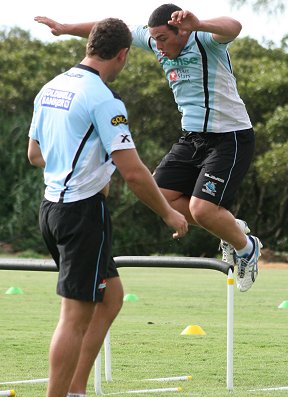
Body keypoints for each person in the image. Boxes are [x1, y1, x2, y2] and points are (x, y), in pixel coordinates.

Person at [28, 18, 188, 397]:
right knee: (74, 316)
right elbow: (133, 173)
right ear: (122, 54)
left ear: (90, 46)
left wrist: (74, 166)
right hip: (82, 215)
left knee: (111, 296)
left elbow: (35, 154)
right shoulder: (104, 98)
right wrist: (169, 211)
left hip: (50, 210)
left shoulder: (52, 87)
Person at [34, 5, 262, 290]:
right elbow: (110, 29)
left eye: (163, 40)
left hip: (230, 137)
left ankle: (247, 249)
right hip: (192, 137)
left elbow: (234, 26)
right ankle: (229, 227)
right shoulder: (153, 38)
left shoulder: (204, 41)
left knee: (202, 210)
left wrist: (199, 23)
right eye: (154, 40)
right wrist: (65, 28)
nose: (158, 47)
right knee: (159, 195)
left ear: (183, 32)